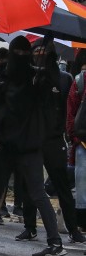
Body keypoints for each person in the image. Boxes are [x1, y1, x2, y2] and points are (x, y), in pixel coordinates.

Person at [0, 38, 66, 256]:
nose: (20, 55)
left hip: (26, 145)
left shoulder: (37, 78)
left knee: (31, 193)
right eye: (17, 51)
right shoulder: (9, 77)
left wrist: (47, 68)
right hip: (12, 144)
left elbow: (51, 94)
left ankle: (54, 242)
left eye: (23, 52)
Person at [20, 39, 85, 244]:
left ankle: (73, 228)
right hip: (32, 138)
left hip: (54, 139)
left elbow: (69, 109)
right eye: (36, 51)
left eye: (43, 51)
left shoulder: (63, 78)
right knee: (30, 183)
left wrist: (67, 134)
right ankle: (29, 226)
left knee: (62, 186)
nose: (40, 55)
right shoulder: (29, 77)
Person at [67, 49, 86, 236]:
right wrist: (74, 137)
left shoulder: (79, 80)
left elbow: (71, 111)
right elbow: (71, 110)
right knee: (82, 186)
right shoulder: (80, 81)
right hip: (82, 142)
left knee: (82, 185)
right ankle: (82, 223)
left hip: (81, 142)